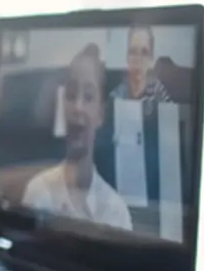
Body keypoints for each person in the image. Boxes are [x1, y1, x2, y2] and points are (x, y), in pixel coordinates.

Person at [22, 44, 133, 230]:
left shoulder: (116, 212)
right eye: (71, 95)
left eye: (88, 97)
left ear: (101, 114)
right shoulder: (37, 193)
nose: (77, 107)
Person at [110, 25, 172, 102]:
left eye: (144, 52)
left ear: (151, 59)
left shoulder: (158, 90)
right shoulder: (116, 96)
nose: (138, 59)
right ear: (127, 57)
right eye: (133, 52)